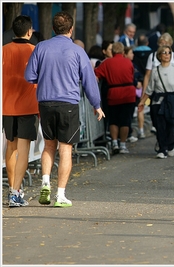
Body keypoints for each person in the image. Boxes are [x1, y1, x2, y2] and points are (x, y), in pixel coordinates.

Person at [24, 11, 105, 207]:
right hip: (68, 103)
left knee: (49, 146)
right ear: (71, 29)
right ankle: (60, 195)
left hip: (45, 103)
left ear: (53, 29)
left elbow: (29, 76)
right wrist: (97, 104)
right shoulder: (77, 51)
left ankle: (45, 183)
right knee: (66, 148)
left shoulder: (41, 47)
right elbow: (89, 80)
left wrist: (44, 78)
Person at [2, 15, 38, 207]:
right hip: (28, 106)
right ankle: (16, 192)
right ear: (29, 31)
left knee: (11, 147)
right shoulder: (34, 50)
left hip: (7, 106)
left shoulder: (3, 51)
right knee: (23, 149)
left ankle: (11, 190)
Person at [138, 45, 174, 158]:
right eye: (164, 52)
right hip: (158, 101)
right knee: (160, 125)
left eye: (169, 52)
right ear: (159, 55)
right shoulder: (155, 70)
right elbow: (150, 88)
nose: (167, 55)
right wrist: (142, 101)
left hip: (172, 100)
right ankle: (162, 149)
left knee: (170, 124)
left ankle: (170, 146)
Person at [94, 42, 136, 154]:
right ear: (123, 52)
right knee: (125, 121)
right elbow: (132, 75)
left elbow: (97, 73)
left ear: (112, 51)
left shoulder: (107, 63)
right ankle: (122, 144)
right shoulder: (128, 62)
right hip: (128, 93)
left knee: (113, 120)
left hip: (113, 93)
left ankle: (114, 143)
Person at [133, 35, 153, 139]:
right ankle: (154, 126)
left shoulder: (134, 54)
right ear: (147, 43)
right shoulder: (152, 54)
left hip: (138, 84)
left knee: (140, 106)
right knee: (153, 105)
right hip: (151, 83)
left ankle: (141, 130)